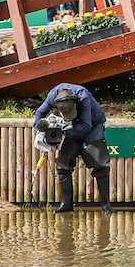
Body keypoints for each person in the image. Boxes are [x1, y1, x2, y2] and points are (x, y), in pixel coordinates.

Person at [33, 84, 114, 214]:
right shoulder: (53, 95)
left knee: (100, 165)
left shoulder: (83, 96)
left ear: (75, 103)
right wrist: (39, 126)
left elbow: (86, 126)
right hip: (71, 127)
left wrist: (64, 131)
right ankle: (66, 204)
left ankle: (106, 206)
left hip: (92, 125)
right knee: (63, 165)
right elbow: (40, 112)